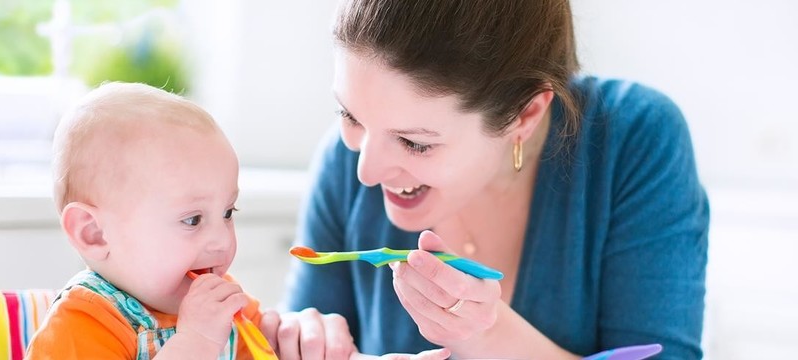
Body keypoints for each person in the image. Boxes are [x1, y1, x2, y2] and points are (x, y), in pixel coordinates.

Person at [281, 0, 709, 359]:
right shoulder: (346, 158)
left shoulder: (636, 140)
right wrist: (291, 340)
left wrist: (486, 336)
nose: (366, 171)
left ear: (525, 115)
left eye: (414, 143)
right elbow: (303, 327)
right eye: (349, 115)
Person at [26, 82, 449, 360]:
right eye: (192, 219)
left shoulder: (225, 306)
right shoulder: (83, 323)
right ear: (94, 233)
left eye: (228, 213)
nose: (221, 241)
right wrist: (196, 342)